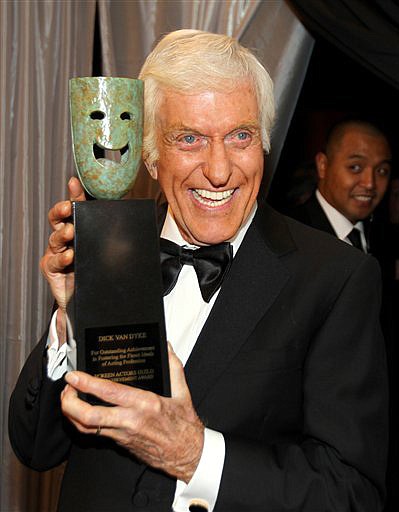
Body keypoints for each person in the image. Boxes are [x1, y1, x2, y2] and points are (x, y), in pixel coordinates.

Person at [9, 30, 388, 512]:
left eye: (240, 136)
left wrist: (195, 456)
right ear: (150, 153)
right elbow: (36, 447)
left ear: (265, 142)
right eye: (189, 138)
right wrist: (69, 317)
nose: (219, 170)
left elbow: (352, 494)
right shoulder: (111, 252)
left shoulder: (336, 279)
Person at [287, 119, 392, 253]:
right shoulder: (289, 235)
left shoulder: (386, 237)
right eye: (355, 167)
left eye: (382, 171)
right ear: (323, 165)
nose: (370, 183)